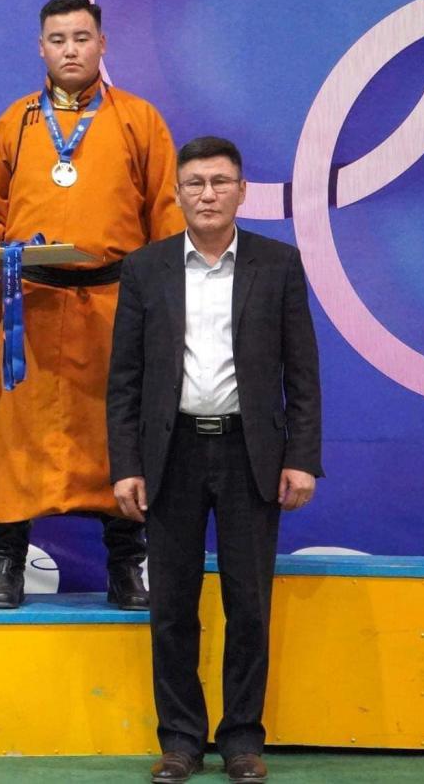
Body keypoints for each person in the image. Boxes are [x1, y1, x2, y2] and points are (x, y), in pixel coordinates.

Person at [107, 136, 322, 784]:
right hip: (168, 454)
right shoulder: (145, 269)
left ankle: (242, 740)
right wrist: (126, 464)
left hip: (249, 453)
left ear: (241, 191)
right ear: (177, 193)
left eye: (220, 182)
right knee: (172, 606)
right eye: (195, 183)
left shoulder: (277, 264)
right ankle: (179, 740)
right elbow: (124, 379)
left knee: (248, 605)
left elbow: (302, 373)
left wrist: (301, 457)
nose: (208, 194)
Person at [0, 0, 183, 610]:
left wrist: (166, 307)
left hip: (115, 308)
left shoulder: (139, 120)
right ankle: (6, 565)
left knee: (120, 436)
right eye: (58, 40)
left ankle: (125, 567)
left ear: (102, 44)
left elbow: (166, 216)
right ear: (40, 48)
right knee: (15, 439)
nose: (70, 50)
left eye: (81, 38)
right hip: (27, 311)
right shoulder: (15, 123)